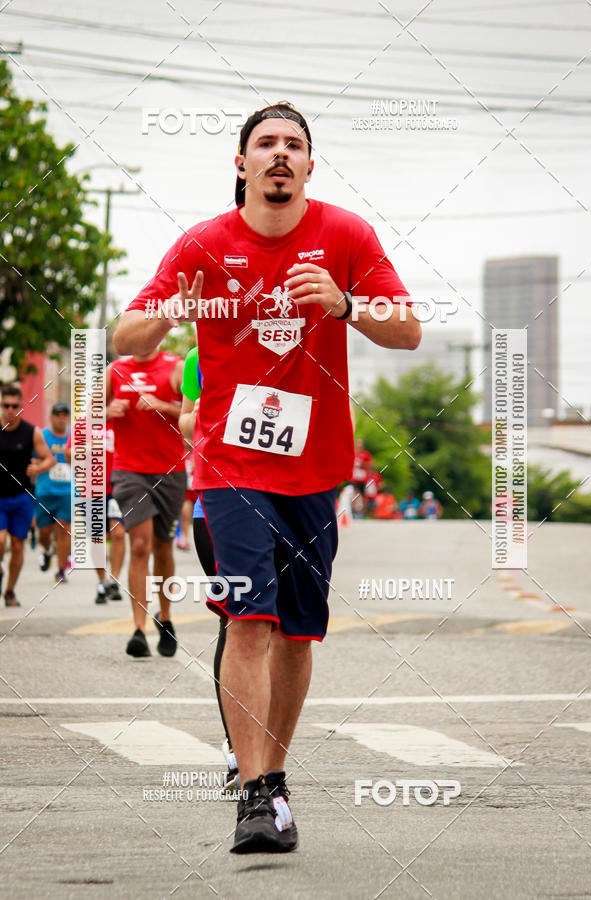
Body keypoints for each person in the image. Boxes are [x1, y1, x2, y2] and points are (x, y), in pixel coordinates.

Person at [114, 101, 421, 853]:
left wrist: (348, 305)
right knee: (248, 616)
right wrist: (167, 316)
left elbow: (407, 327)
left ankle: (274, 776)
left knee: (297, 632)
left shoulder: (346, 235)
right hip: (230, 462)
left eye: (294, 145)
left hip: (316, 467)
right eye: (265, 144)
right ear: (241, 164)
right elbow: (124, 334)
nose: (279, 155)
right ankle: (254, 794)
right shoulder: (203, 245)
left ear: (310, 165)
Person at [179, 345, 239, 791]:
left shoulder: (289, 340)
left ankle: (267, 747)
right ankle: (238, 748)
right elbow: (184, 422)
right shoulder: (198, 356)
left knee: (282, 631)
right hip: (215, 504)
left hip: (286, 504)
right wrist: (202, 414)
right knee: (237, 623)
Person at [106, 349, 186, 657]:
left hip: (170, 471)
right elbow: (89, 410)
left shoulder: (175, 366)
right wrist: (106, 410)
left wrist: (164, 405)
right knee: (139, 545)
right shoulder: (115, 370)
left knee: (162, 548)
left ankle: (164, 617)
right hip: (129, 471)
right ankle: (138, 629)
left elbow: (199, 412)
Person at [0, 384, 55, 606]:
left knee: (17, 545)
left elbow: (49, 458)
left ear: (21, 406)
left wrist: (39, 468)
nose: (10, 410)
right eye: (6, 405)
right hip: (0, 498)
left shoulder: (31, 432)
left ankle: (10, 590)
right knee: (1, 540)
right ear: (1, 406)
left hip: (22, 497)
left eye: (15, 406)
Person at [65, 419, 126, 603]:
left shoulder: (121, 420)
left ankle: (114, 580)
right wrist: (90, 448)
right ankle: (103, 581)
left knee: (119, 533)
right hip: (91, 490)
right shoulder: (83, 424)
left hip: (118, 487)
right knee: (98, 539)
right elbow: (69, 455)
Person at [34, 401, 72, 584]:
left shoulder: (74, 437)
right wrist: (41, 465)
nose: (61, 418)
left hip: (67, 491)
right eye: (57, 414)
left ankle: (61, 569)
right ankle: (48, 550)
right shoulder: (42, 436)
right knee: (44, 532)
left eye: (64, 415)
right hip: (45, 491)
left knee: (64, 530)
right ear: (51, 417)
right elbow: (32, 461)